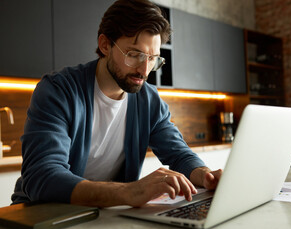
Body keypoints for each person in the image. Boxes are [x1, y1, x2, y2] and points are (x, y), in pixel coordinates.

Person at [12, 0, 222, 208]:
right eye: (134, 55)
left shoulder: (149, 100)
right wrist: (131, 191)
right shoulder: (59, 90)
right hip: (42, 215)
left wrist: (205, 176)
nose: (144, 70)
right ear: (105, 45)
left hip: (105, 213)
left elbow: (179, 154)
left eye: (153, 58)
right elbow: (43, 177)